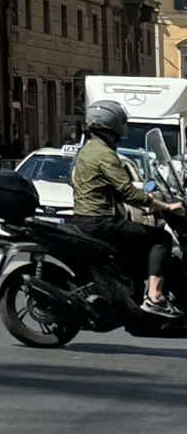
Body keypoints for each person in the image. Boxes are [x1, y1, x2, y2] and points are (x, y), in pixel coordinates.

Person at [71, 99, 183, 316]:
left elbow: (104, 189)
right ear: (111, 125)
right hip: (101, 222)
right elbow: (127, 191)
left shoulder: (87, 150)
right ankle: (154, 297)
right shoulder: (105, 153)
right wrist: (167, 207)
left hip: (86, 219)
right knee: (161, 238)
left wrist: (148, 207)